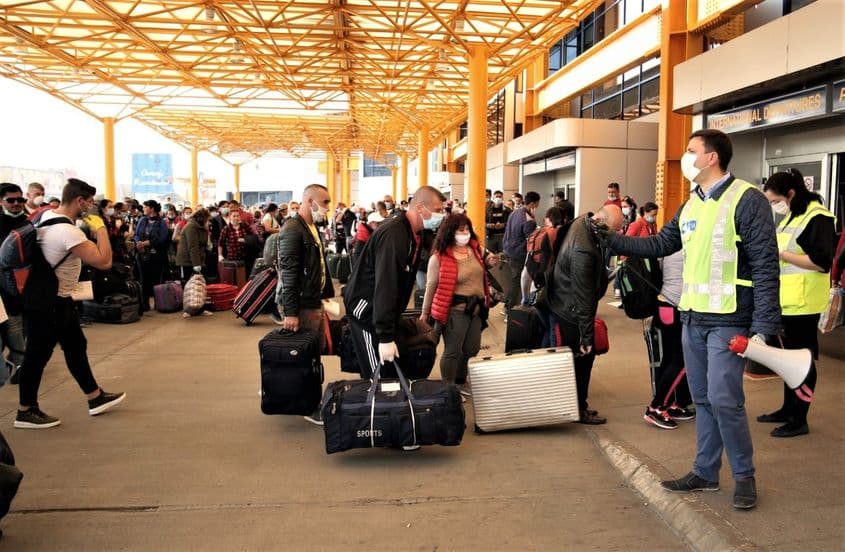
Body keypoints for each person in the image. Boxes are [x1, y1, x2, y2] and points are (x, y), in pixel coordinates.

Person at [608, 129, 781, 510]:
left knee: (725, 399)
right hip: (693, 317)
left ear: (712, 157)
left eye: (691, 151)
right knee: (702, 399)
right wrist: (612, 239)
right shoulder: (691, 205)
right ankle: (705, 472)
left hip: (730, 319)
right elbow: (660, 244)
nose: (686, 158)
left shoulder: (747, 201)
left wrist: (765, 328)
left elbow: (767, 264)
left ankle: (743, 475)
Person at [14, 179, 126, 429]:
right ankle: (25, 410)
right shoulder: (68, 231)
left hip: (54, 299)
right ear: (80, 201)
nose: (92, 207)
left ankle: (94, 396)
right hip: (50, 302)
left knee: (75, 345)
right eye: (89, 202)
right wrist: (100, 230)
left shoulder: (45, 218)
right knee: (37, 355)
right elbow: (104, 261)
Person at [344, 186, 447, 399]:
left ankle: (388, 413)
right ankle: (376, 421)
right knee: (378, 372)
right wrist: (384, 336)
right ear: (420, 208)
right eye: (438, 209)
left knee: (388, 368)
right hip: (366, 310)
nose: (441, 215)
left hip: (383, 309)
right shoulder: (395, 234)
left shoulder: (415, 233)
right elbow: (386, 285)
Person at [757, 169, 835, 438]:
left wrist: (782, 254)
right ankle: (787, 409)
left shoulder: (818, 218)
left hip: (804, 304)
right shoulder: (793, 214)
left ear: (791, 194)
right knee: (787, 360)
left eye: (775, 200)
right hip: (787, 303)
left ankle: (799, 418)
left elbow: (822, 263)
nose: (773, 206)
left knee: (801, 362)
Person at [545, 205, 623, 425]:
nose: (613, 235)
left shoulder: (583, 221)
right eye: (612, 230)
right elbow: (583, 297)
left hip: (562, 301)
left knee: (572, 361)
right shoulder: (584, 250)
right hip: (570, 310)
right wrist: (586, 337)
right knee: (582, 360)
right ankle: (579, 408)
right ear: (600, 221)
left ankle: (572, 405)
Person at [421, 213, 498, 396]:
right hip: (455, 311)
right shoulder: (438, 258)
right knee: (453, 351)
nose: (465, 233)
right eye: (461, 229)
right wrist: (425, 313)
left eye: (467, 229)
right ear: (449, 231)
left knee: (472, 348)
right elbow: (430, 286)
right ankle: (448, 387)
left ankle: (461, 380)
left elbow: (484, 266)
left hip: (477, 309)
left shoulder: (475, 249)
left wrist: (491, 262)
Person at [277, 185, 335, 425]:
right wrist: (291, 312)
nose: (327, 207)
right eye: (325, 202)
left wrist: (326, 293)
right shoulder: (293, 230)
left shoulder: (311, 228)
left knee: (313, 354)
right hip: (300, 304)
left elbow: (318, 265)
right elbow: (288, 273)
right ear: (309, 201)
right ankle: (309, 405)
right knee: (307, 357)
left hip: (312, 300)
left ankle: (307, 399)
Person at [643, 250, 694, 429]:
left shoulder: (671, 246)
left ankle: (673, 404)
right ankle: (656, 407)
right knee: (682, 360)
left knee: (670, 358)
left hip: (665, 304)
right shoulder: (688, 245)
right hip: (677, 305)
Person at [0, 184, 30, 384]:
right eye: (11, 200)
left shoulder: (29, 222)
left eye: (20, 200)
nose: (16, 204)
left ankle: (18, 362)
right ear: (1, 201)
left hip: (27, 287)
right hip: (5, 289)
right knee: (13, 327)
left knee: (21, 326)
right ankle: (18, 362)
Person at [502, 191, 539, 311]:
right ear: (533, 203)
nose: (537, 206)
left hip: (508, 250)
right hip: (518, 253)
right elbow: (531, 240)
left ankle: (507, 306)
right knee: (517, 282)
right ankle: (510, 310)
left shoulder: (515, 212)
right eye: (537, 203)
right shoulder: (529, 219)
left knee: (513, 280)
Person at [134, 200, 170, 312]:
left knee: (156, 280)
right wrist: (139, 243)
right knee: (143, 280)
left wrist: (147, 243)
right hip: (142, 254)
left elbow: (162, 238)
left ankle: (159, 303)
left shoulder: (161, 222)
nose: (143, 209)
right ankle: (144, 305)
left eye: (145, 207)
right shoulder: (142, 220)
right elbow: (136, 234)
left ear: (152, 209)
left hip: (157, 255)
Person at [175, 208, 210, 285]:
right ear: (202, 218)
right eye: (207, 219)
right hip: (187, 262)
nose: (208, 221)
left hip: (196, 260)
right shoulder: (191, 227)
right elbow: (193, 247)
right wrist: (196, 264)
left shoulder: (201, 227)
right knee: (187, 284)